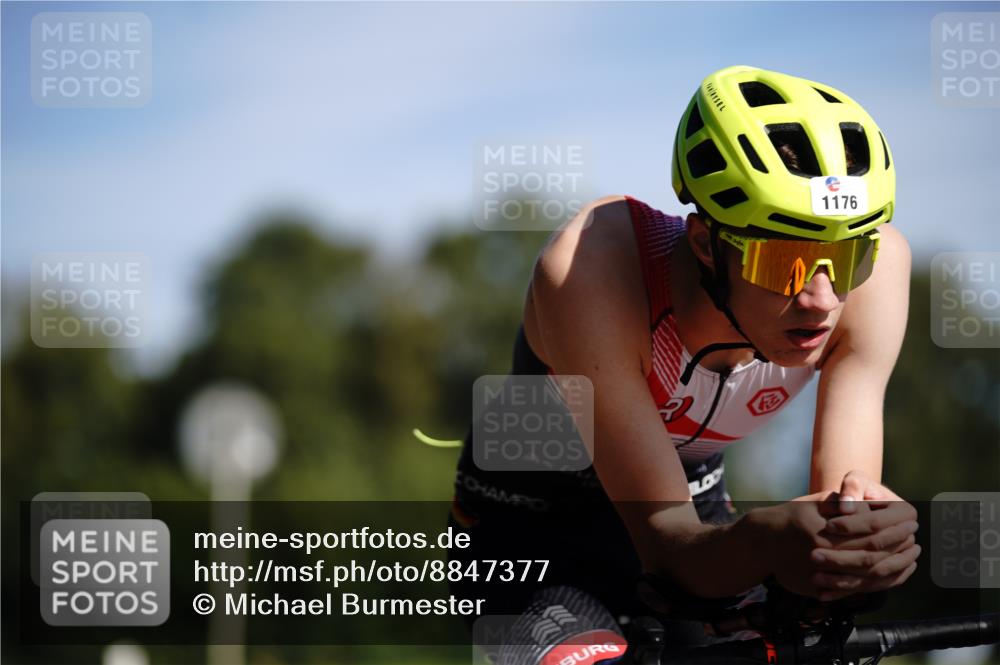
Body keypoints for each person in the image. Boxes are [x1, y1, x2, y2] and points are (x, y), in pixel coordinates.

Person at [446, 66, 920, 635]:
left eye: (847, 256)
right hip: (530, 531)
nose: (822, 299)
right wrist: (771, 540)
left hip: (696, 511)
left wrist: (862, 545)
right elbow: (671, 552)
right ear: (705, 244)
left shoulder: (879, 272)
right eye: (785, 262)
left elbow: (834, 508)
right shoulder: (592, 268)